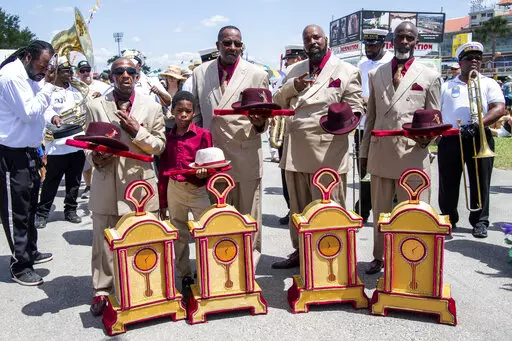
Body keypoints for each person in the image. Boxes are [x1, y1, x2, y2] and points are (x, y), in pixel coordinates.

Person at [272, 24, 364, 269]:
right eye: (307, 38)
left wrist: (344, 121)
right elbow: (277, 99)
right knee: (298, 206)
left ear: (326, 40)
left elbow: (357, 107)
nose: (312, 41)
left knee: (329, 207)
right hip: (295, 150)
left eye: (316, 37)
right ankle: (300, 252)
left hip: (328, 150)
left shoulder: (346, 70)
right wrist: (294, 87)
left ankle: (332, 255)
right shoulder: (294, 70)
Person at [85, 57, 166, 316]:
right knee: (103, 239)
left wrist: (137, 131)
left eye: (131, 71)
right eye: (119, 71)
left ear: (138, 76)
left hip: (139, 184)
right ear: (112, 77)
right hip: (106, 181)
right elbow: (87, 143)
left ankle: (144, 284)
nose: (125, 75)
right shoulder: (96, 105)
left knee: (141, 236)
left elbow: (159, 145)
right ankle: (102, 290)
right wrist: (94, 158)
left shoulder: (152, 108)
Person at [360, 21, 442, 274]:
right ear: (392, 40)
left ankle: (412, 259)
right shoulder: (377, 74)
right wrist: (363, 153)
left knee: (413, 212)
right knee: (381, 212)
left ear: (417, 42)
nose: (404, 42)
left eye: (410, 37)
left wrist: (429, 141)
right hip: (381, 152)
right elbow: (371, 117)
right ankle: (379, 256)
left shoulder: (430, 76)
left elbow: (436, 118)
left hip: (413, 155)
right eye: (400, 37)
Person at [191, 26, 269, 265]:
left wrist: (259, 124)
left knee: (248, 214)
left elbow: (265, 117)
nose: (232, 48)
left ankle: (248, 265)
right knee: (217, 215)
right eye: (227, 43)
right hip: (213, 158)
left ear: (242, 46)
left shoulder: (256, 73)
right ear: (218, 46)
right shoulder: (200, 73)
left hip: (245, 154)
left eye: (237, 44)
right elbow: (196, 115)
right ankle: (221, 263)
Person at [0, 40, 61, 285]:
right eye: (43, 65)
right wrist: (50, 86)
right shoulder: (11, 77)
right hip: (11, 155)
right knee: (17, 211)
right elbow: (28, 114)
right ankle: (20, 264)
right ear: (27, 57)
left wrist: (52, 117)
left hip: (28, 151)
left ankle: (30, 251)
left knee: (30, 207)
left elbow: (39, 110)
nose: (46, 71)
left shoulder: (29, 77)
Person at [438, 42, 506, 238]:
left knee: (480, 182)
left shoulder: (488, 83)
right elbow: (437, 111)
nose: (475, 61)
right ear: (460, 62)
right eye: (469, 58)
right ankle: (448, 218)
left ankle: (480, 221)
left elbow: (499, 108)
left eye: (478, 57)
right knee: (448, 181)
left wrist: (478, 124)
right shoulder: (447, 86)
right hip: (451, 138)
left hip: (479, 137)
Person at [157, 91, 212, 301]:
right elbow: (162, 169)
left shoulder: (203, 135)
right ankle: (185, 276)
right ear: (172, 112)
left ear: (194, 113)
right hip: (174, 189)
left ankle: (204, 270)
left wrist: (204, 173)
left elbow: (210, 164)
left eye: (188, 111)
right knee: (179, 234)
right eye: (179, 110)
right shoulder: (167, 137)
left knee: (202, 231)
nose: (183, 115)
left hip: (197, 189)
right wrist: (162, 201)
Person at [34, 57, 86, 228]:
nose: (69, 74)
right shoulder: (48, 90)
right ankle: (42, 213)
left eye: (70, 71)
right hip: (58, 145)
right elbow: (44, 109)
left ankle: (70, 210)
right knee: (51, 181)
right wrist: (53, 117)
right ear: (56, 73)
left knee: (74, 181)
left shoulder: (77, 90)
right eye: (65, 71)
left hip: (78, 141)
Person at [354, 29, 394, 223]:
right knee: (364, 170)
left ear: (383, 44)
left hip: (385, 125)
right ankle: (363, 208)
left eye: (373, 45)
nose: (369, 49)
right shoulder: (362, 64)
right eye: (367, 45)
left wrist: (370, 100)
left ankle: (389, 209)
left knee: (387, 170)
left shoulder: (392, 62)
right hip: (363, 125)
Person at [276, 44, 308, 226]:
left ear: (299, 58)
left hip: (303, 132)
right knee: (285, 173)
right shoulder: (286, 76)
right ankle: (291, 207)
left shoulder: (308, 74)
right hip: (285, 129)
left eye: (290, 59)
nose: (287, 62)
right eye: (286, 60)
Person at [76, 59, 110, 199]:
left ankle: (102, 183)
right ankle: (89, 186)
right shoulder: (75, 87)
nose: (86, 73)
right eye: (82, 71)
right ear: (78, 74)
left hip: (100, 125)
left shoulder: (102, 86)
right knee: (86, 157)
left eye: (87, 70)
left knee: (102, 154)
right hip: (83, 124)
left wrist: (101, 97)